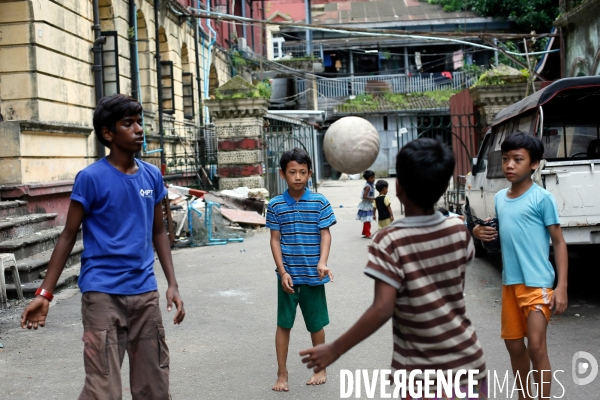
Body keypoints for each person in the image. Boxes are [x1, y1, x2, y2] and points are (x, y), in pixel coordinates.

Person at [20, 94, 185, 400]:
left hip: (144, 293)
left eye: (140, 122)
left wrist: (172, 283)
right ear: (108, 134)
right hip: (102, 295)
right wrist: (45, 293)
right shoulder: (91, 178)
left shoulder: (152, 176)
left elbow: (159, 231)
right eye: (128, 123)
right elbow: (68, 235)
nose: (138, 129)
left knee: (154, 386)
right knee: (102, 388)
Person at [300, 138, 487, 399]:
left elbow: (382, 308)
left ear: (398, 187)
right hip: (470, 362)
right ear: (444, 186)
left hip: (422, 375)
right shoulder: (458, 230)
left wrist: (335, 349)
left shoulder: (389, 240)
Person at [473, 131, 568, 399]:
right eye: (505, 159)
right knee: (514, 347)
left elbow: (559, 243)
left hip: (537, 283)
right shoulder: (501, 198)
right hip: (510, 284)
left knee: (536, 347)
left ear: (534, 164)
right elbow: (500, 231)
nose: (509, 166)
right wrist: (478, 232)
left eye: (517, 159)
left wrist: (561, 287)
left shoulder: (542, 199)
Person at [266, 147, 337, 392]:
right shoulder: (275, 205)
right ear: (282, 174)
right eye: (292, 172)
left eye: (302, 172)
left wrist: (323, 262)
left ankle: (320, 367)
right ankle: (282, 373)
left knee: (316, 325)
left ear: (309, 174)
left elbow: (325, 234)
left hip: (313, 276)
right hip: (287, 278)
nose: (297, 176)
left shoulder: (320, 201)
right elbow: (275, 240)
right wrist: (282, 271)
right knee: (284, 324)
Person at [357, 170, 376, 238]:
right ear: (367, 179)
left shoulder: (371, 184)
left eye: (374, 177)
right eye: (371, 178)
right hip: (366, 205)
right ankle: (368, 233)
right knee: (368, 219)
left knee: (366, 219)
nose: (373, 179)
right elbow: (364, 196)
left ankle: (365, 232)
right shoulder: (368, 186)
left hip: (368, 204)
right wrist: (373, 198)